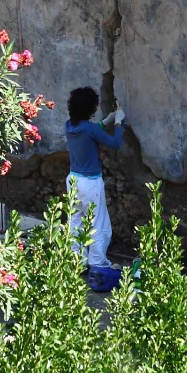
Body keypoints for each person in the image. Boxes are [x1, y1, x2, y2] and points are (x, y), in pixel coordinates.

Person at [64, 87, 123, 268]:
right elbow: (115, 143)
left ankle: (77, 262)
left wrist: (106, 121)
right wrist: (119, 123)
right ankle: (98, 264)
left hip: (73, 181)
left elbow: (91, 132)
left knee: (76, 223)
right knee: (99, 224)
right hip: (90, 184)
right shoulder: (89, 129)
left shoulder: (69, 125)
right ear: (89, 108)